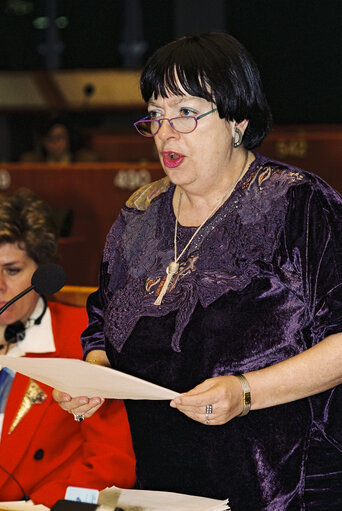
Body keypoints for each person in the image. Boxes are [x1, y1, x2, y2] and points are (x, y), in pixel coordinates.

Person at [53, 32, 342, 510]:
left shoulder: (299, 205)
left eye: (186, 113)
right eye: (156, 115)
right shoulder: (140, 215)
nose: (166, 133)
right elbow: (103, 327)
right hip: (165, 486)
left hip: (287, 486)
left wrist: (246, 392)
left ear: (236, 121)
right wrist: (95, 376)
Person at [0, 189, 135, 507]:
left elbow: (112, 467)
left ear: (42, 272)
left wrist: (37, 507)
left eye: (12, 270)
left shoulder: (87, 341)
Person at [20, 116, 98, 163]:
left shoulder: (84, 162)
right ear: (43, 142)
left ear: (69, 138)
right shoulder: (34, 164)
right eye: (49, 139)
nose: (55, 143)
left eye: (59, 138)